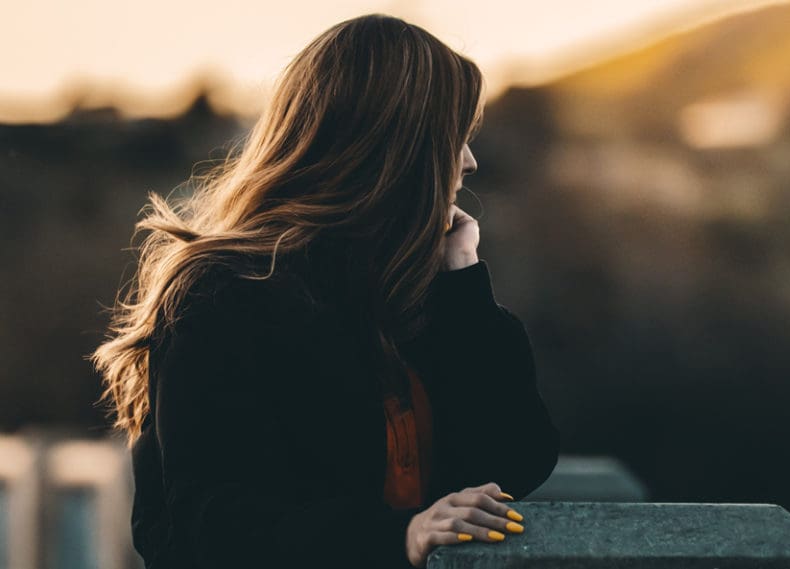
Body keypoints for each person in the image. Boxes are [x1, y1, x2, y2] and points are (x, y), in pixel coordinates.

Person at [89, 13, 560, 569]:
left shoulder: (414, 292)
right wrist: (399, 538)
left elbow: (516, 462)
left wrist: (462, 282)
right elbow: (208, 527)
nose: (469, 161)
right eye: (453, 139)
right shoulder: (225, 294)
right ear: (395, 149)